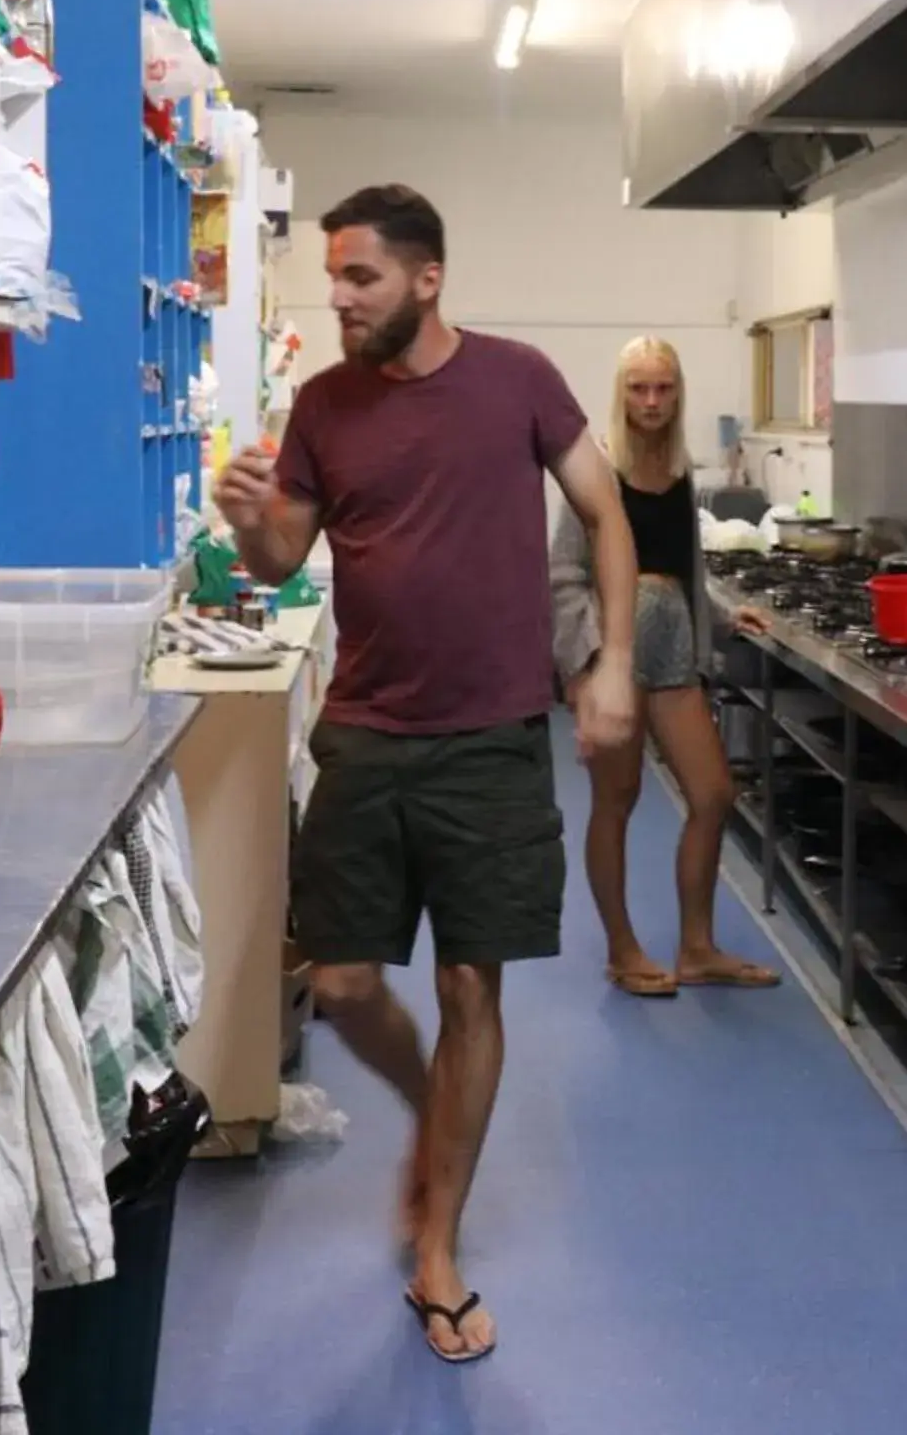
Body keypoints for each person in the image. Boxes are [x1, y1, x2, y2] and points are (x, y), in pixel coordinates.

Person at [213, 183, 638, 1367]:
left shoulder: (519, 382)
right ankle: (429, 1109)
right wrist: (245, 518)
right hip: (366, 732)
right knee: (343, 982)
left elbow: (607, 515)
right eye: (334, 278)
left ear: (426, 277)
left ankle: (439, 1248)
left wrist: (609, 662)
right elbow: (284, 554)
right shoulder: (322, 407)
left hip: (496, 739)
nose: (339, 299)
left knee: (470, 992)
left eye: (361, 278)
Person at [550, 337, 782, 997]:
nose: (651, 402)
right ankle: (623, 950)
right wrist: (589, 663)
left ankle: (697, 947)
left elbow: (681, 561)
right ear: (620, 393)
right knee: (615, 802)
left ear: (678, 394)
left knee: (713, 796)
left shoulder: (682, 471)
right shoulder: (596, 470)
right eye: (638, 389)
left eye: (663, 389)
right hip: (615, 657)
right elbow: (563, 575)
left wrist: (718, 611)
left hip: (676, 650)